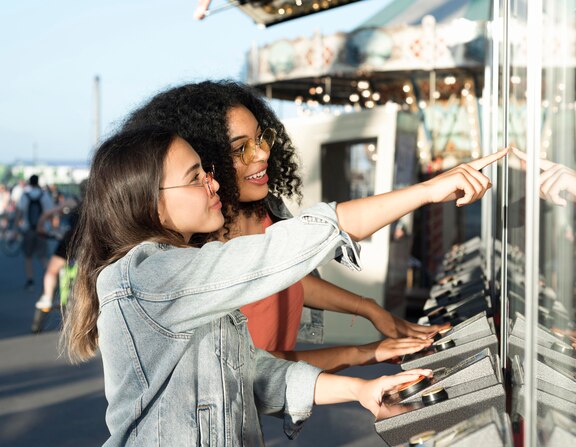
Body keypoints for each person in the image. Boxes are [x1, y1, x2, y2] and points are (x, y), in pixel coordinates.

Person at [62, 126, 506, 446]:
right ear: (151, 204)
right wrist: (425, 192)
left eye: (207, 170)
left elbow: (251, 373)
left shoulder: (182, 271)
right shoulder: (147, 275)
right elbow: (276, 253)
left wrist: (360, 388)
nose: (214, 182)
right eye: (196, 177)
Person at [122, 80, 450, 372]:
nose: (262, 153)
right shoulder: (185, 265)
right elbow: (253, 373)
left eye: (261, 139)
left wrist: (369, 310)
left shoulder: (264, 211)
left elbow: (289, 275)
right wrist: (427, 191)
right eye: (240, 149)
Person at [33, 180, 85, 312]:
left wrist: (40, 226)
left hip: (70, 241)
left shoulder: (74, 201)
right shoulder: (99, 204)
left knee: (51, 271)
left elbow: (47, 214)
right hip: (89, 244)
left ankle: (48, 298)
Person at [16, 175, 53, 289]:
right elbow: (49, 211)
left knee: (28, 256)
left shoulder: (25, 195)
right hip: (42, 229)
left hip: (28, 229)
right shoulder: (44, 195)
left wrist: (17, 226)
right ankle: (50, 278)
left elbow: (20, 211)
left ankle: (30, 280)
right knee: (43, 256)